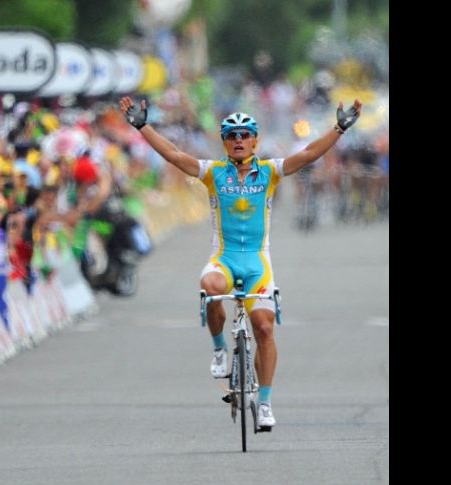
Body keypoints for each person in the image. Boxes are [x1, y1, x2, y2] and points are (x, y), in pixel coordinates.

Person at [119, 95, 362, 428]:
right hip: (225, 258)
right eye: (231, 135)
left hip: (258, 264)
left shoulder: (270, 171)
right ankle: (220, 349)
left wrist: (339, 129)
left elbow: (308, 154)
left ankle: (265, 403)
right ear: (224, 142)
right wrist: (142, 126)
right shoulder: (213, 172)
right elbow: (173, 155)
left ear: (254, 141)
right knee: (210, 286)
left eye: (244, 135)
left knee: (264, 328)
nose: (238, 140)